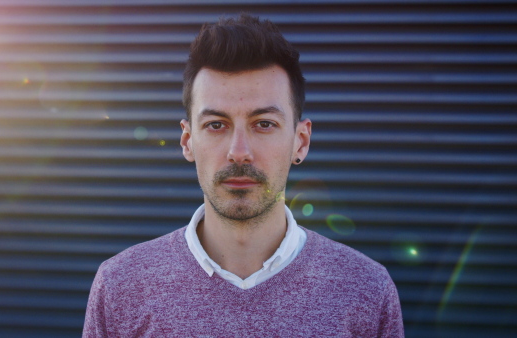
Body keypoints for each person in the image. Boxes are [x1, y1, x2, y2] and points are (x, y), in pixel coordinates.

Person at [83, 13, 404, 337]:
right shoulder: (119, 286)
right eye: (216, 125)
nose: (239, 151)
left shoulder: (367, 290)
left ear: (300, 141)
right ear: (187, 141)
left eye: (264, 124)